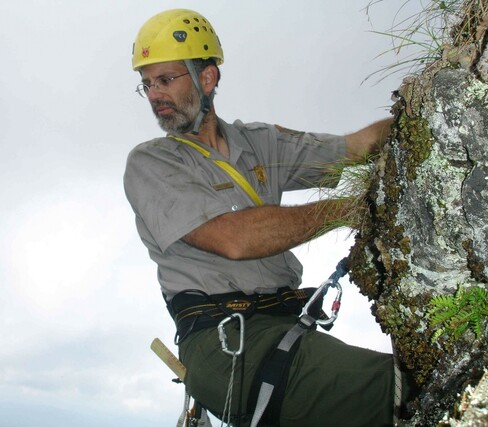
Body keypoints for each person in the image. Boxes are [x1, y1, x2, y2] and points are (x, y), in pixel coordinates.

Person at [124, 9, 413, 427]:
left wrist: (425, 106)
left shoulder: (259, 143)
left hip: (282, 328)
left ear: (206, 78)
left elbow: (355, 148)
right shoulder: (151, 164)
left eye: (165, 80)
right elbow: (234, 239)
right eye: (147, 84)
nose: (154, 95)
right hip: (223, 346)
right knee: (397, 388)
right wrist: (348, 210)